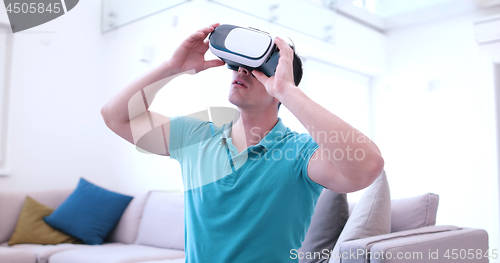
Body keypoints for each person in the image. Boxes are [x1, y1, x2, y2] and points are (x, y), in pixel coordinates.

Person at [101, 23, 384, 263]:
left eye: (258, 68)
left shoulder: (300, 153)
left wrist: (287, 91)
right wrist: (172, 67)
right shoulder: (195, 137)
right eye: (238, 65)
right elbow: (116, 117)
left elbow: (368, 166)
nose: (242, 71)